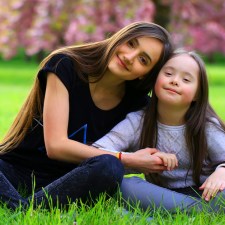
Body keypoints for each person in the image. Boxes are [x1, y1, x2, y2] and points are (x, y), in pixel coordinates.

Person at [0, 21, 173, 210]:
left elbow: (176, 146)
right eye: (131, 43)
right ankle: (25, 210)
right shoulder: (65, 64)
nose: (130, 57)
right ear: (119, 38)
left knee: (110, 166)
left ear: (145, 74)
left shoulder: (138, 106)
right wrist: (129, 159)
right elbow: (56, 146)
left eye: (143, 60)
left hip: (71, 182)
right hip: (15, 170)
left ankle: (17, 206)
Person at [93, 50, 225, 213]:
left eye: (186, 79)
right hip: (161, 195)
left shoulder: (205, 125)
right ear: (155, 78)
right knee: (124, 185)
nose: (175, 81)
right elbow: (97, 153)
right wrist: (138, 161)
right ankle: (200, 213)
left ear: (197, 94)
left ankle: (182, 214)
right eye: (168, 73)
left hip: (206, 193)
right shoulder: (137, 122)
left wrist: (222, 171)